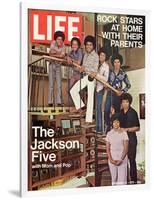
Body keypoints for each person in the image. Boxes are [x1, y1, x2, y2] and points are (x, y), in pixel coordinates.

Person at [70, 35, 99, 123]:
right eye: (87, 45)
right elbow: (83, 67)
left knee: (90, 98)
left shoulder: (96, 56)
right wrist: (81, 69)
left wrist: (92, 73)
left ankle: (88, 120)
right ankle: (81, 106)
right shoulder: (85, 55)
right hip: (85, 76)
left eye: (90, 45)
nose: (88, 46)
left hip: (91, 78)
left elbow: (95, 69)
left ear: (93, 46)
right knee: (73, 90)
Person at [104, 54, 131, 132]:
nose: (116, 64)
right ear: (113, 63)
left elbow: (128, 85)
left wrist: (122, 91)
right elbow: (107, 83)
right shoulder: (110, 73)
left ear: (120, 63)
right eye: (115, 62)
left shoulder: (123, 74)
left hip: (118, 96)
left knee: (117, 113)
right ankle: (108, 125)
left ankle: (116, 128)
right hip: (110, 93)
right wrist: (106, 86)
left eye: (118, 62)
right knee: (106, 110)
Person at [119, 93, 140, 184]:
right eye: (123, 102)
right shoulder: (120, 113)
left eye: (126, 102)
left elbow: (138, 128)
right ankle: (124, 180)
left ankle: (133, 180)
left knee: (132, 160)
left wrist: (126, 129)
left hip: (131, 140)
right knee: (123, 161)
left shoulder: (133, 112)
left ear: (129, 102)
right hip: (122, 141)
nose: (125, 104)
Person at [106, 115, 129, 185]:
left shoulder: (124, 133)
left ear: (120, 123)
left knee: (122, 182)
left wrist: (121, 160)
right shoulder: (109, 133)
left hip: (122, 159)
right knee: (114, 180)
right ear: (112, 123)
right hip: (112, 160)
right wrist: (110, 159)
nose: (116, 124)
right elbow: (107, 149)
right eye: (114, 122)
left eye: (117, 122)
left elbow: (126, 149)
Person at [48, 31, 65, 107]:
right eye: (58, 39)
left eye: (61, 39)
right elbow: (50, 53)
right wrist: (59, 55)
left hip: (58, 66)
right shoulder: (53, 43)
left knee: (59, 85)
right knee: (51, 84)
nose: (59, 41)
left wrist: (55, 54)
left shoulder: (63, 45)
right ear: (56, 39)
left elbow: (63, 56)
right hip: (52, 65)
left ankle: (59, 102)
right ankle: (50, 102)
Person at [95, 47, 110, 134]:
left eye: (103, 55)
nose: (101, 56)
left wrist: (97, 75)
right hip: (94, 88)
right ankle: (98, 128)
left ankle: (100, 129)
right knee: (96, 109)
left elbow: (105, 79)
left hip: (100, 89)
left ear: (105, 57)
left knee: (100, 109)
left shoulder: (106, 66)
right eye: (100, 55)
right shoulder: (96, 64)